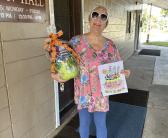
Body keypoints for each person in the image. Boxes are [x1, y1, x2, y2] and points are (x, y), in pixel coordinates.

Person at [45, 6, 130, 138]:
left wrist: (124, 74)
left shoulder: (111, 46)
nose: (98, 19)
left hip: (102, 94)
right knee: (84, 123)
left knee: (100, 124)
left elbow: (117, 68)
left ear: (106, 23)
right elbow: (63, 62)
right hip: (83, 92)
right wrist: (55, 70)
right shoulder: (76, 41)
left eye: (103, 16)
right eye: (95, 15)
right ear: (89, 19)